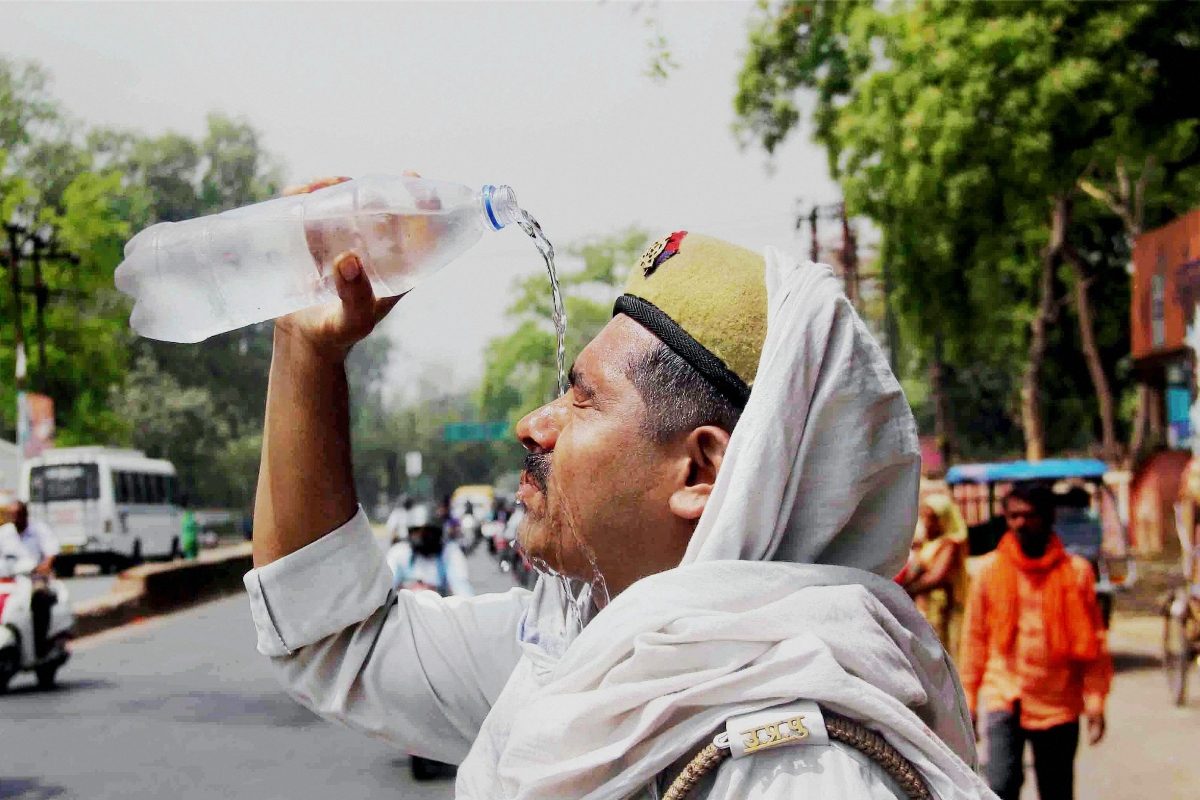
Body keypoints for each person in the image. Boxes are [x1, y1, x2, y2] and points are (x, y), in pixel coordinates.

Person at [244, 215, 991, 797]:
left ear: (700, 471)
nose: (532, 426)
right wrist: (306, 348)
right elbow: (339, 637)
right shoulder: (588, 658)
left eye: (582, 397)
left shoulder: (798, 767)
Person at [960, 484, 1112, 800]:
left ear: (1048, 517)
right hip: (1005, 696)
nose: (1020, 523)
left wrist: (1096, 700)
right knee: (1000, 786)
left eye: (1029, 516)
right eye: (1013, 515)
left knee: (1056, 791)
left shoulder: (1077, 572)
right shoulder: (989, 571)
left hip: (1059, 703)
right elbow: (974, 640)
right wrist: (968, 702)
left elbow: (1094, 644)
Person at [903, 493, 969, 655]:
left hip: (943, 609)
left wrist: (906, 591)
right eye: (924, 517)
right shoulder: (927, 543)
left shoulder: (950, 544)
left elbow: (936, 577)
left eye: (932, 518)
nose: (926, 522)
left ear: (943, 518)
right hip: (926, 607)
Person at [4, 501, 59, 658]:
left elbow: (51, 553)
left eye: (18, 516)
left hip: (34, 578)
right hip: (10, 579)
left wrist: (43, 567)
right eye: (11, 516)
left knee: (39, 598)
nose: (14, 519)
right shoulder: (4, 533)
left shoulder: (39, 530)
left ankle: (40, 643)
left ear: (25, 515)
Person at [386, 506, 474, 597]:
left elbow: (462, 588)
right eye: (417, 531)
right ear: (410, 532)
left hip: (439, 608)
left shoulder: (449, 553)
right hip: (404, 609)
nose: (422, 537)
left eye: (427, 532)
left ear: (437, 533)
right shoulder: (399, 553)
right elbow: (386, 588)